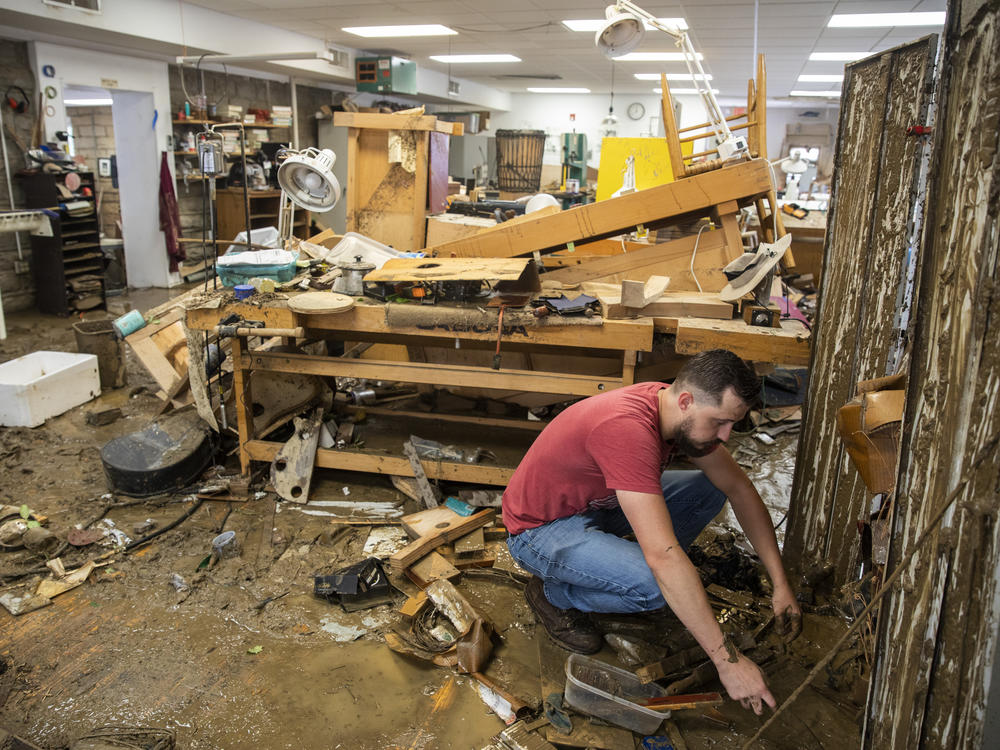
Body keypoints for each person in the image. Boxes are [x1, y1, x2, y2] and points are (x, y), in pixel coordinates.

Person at [502, 349, 802, 715]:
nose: (725, 436)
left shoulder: (674, 410)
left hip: (596, 507)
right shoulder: (628, 430)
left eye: (732, 424)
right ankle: (554, 594)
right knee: (654, 583)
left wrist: (780, 582)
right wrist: (728, 661)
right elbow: (663, 558)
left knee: (709, 488)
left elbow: (739, 488)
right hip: (539, 530)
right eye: (721, 422)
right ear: (688, 401)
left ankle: (611, 568)